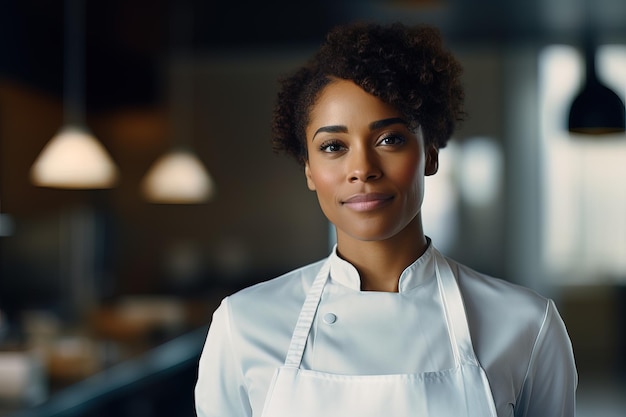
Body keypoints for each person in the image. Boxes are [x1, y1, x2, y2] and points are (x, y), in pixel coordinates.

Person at [194, 21, 577, 417]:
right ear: (308, 169)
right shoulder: (243, 325)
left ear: (430, 153)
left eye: (390, 139)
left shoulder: (527, 325)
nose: (362, 168)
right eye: (333, 146)